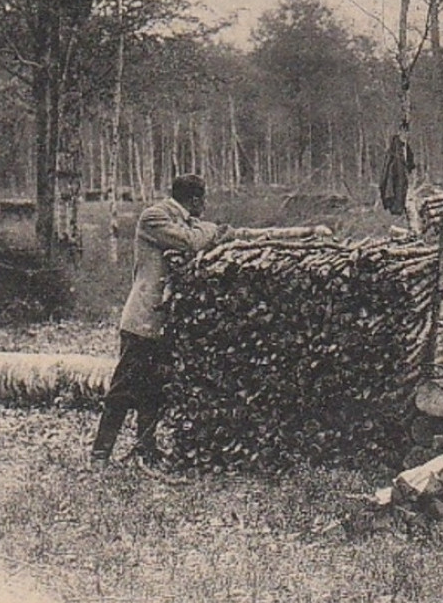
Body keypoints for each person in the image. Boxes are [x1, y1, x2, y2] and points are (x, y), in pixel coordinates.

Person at [89, 174, 326, 471]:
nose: (206, 206)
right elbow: (192, 242)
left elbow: (236, 234)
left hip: (165, 322)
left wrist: (302, 234)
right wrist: (214, 231)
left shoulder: (188, 221)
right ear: (195, 199)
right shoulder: (155, 217)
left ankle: (145, 449)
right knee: (124, 388)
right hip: (143, 320)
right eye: (203, 200)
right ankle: (100, 454)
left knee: (154, 390)